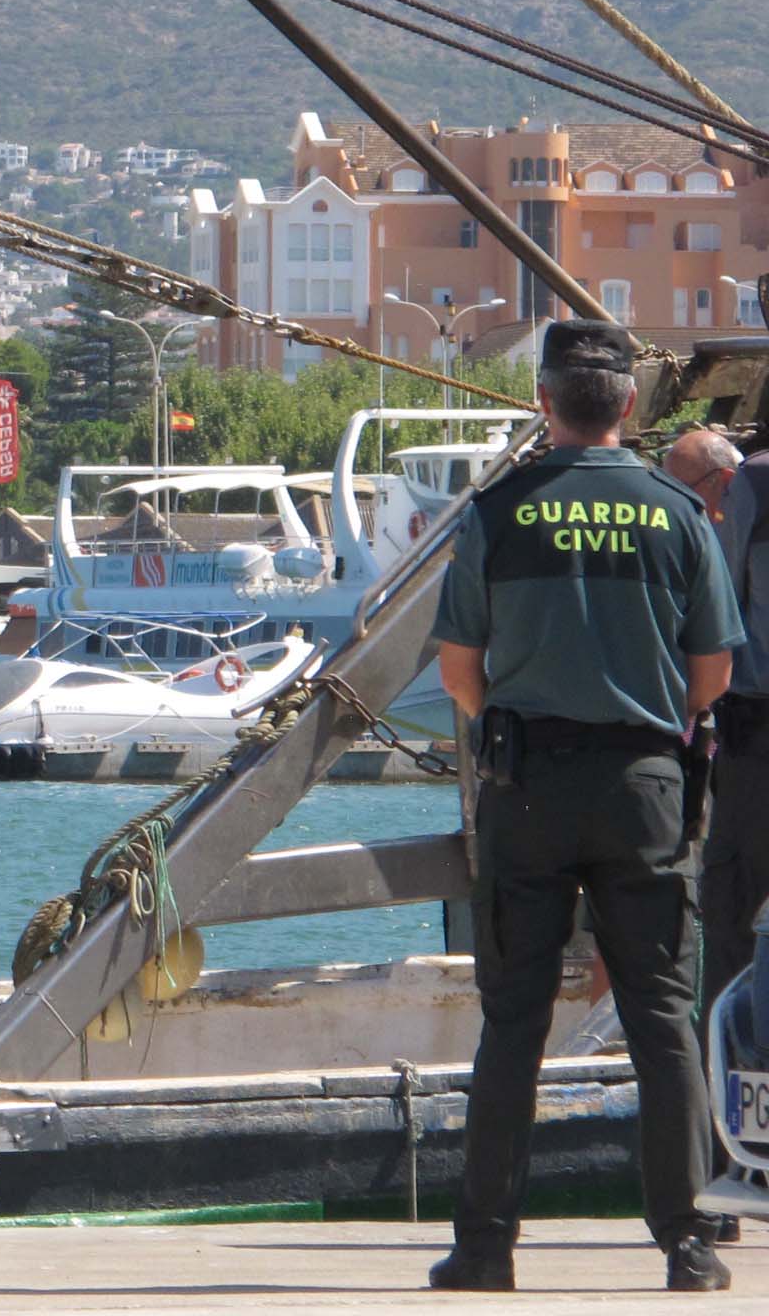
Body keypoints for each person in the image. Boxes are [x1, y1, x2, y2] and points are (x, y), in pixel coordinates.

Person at [431, 320, 738, 1294]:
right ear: (631, 407)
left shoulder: (496, 511)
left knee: (511, 1021)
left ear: (541, 402)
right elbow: (712, 671)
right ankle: (686, 1240)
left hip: (527, 785)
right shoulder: (675, 513)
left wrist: (512, 730)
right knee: (660, 1017)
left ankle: (483, 1245)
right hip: (644, 784)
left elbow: (455, 667)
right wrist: (648, 726)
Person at [667, 427, 769, 1030]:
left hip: (759, 749)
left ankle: (729, 1092)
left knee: (733, 911)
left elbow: (713, 616)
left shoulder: (752, 482)